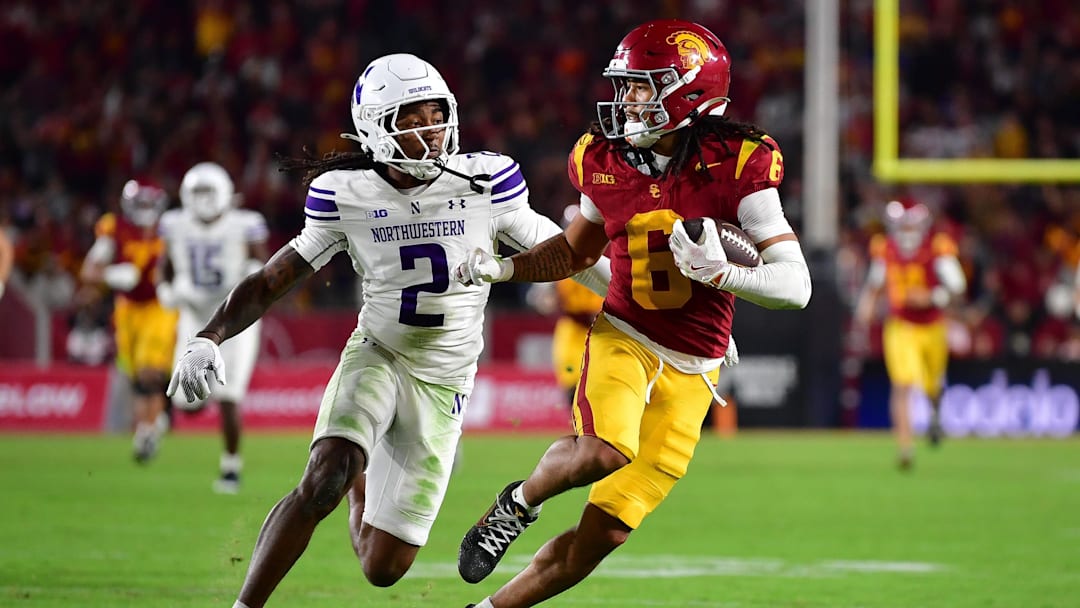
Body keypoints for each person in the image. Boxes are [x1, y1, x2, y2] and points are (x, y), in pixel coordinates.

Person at [165, 53, 609, 608]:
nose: (431, 131)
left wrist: (654, 311)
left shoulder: (484, 181)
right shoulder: (345, 194)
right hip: (379, 353)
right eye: (411, 118)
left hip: (445, 379)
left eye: (436, 114)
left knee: (383, 568)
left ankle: (361, 479)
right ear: (376, 128)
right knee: (322, 476)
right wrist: (209, 335)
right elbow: (275, 277)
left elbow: (571, 252)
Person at [452, 19, 811, 608]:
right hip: (628, 331)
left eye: (646, 86)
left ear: (690, 93)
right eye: (628, 85)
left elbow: (795, 287)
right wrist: (507, 270)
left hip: (697, 366)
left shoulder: (740, 160)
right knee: (603, 450)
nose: (629, 101)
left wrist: (724, 277)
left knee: (604, 534)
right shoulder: (602, 156)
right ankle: (518, 503)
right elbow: (577, 251)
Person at [157, 161, 269, 493]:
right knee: (187, 403)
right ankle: (168, 416)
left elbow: (263, 262)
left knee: (229, 394)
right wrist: (165, 287)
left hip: (236, 316)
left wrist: (255, 270)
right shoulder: (174, 224)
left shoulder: (244, 223)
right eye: (198, 192)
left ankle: (231, 468)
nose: (204, 200)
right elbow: (165, 265)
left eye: (209, 192)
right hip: (194, 315)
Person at [853, 197, 966, 470]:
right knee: (902, 385)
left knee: (932, 386)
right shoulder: (885, 249)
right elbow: (874, 284)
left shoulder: (937, 248)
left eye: (910, 227)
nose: (906, 233)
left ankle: (936, 415)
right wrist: (864, 311)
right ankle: (905, 448)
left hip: (932, 326)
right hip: (900, 325)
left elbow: (957, 287)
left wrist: (931, 297)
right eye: (901, 227)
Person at [81, 179, 177, 463]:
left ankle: (149, 429)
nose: (146, 209)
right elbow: (89, 271)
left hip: (160, 306)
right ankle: (147, 427)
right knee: (136, 373)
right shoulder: (114, 229)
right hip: (127, 309)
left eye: (150, 203)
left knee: (151, 370)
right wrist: (111, 275)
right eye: (141, 203)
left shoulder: (170, 229)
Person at [524, 205, 606, 407]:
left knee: (605, 386)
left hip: (606, 329)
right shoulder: (557, 259)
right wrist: (547, 301)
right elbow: (538, 297)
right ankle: (582, 434)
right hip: (574, 328)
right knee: (572, 388)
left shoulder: (607, 254)